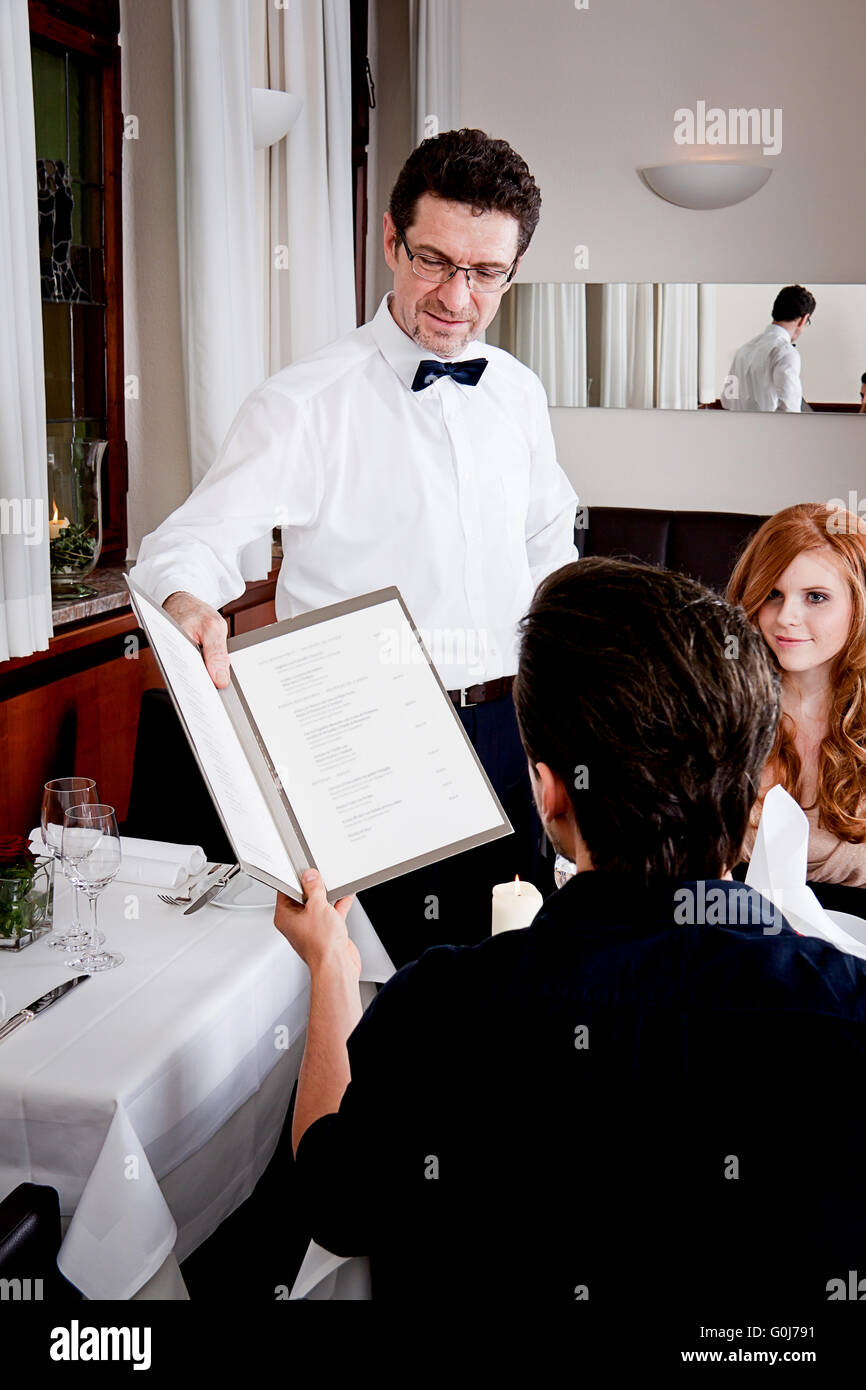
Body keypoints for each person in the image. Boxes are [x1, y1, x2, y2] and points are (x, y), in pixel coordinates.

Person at [275, 558, 866, 1310]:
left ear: (549, 790)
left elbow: (333, 1204)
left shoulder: (436, 1009)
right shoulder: (847, 1013)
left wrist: (331, 966)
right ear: (754, 790)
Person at [129, 128, 579, 968]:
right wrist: (189, 599)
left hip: (512, 729)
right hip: (372, 739)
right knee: (385, 994)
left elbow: (547, 550)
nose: (456, 297)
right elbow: (184, 544)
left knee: (515, 976)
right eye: (433, 261)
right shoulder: (304, 403)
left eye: (487, 273)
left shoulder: (519, 393)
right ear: (388, 239)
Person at [727, 501, 866, 890]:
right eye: (772, 593)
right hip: (738, 938)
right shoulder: (720, 708)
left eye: (815, 597)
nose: (787, 616)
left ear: (860, 605)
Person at [721, 284, 815, 412]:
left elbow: (727, 400)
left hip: (739, 428)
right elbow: (791, 411)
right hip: (771, 430)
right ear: (804, 319)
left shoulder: (743, 350)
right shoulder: (786, 353)